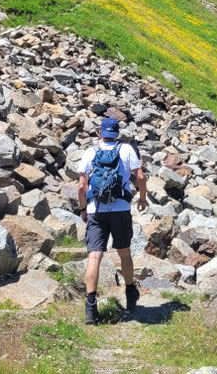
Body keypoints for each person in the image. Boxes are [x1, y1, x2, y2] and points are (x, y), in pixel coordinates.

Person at [76, 116, 147, 324]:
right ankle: (130, 292)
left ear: (100, 133)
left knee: (94, 256)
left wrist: (83, 209)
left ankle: (90, 306)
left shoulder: (90, 152)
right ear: (117, 134)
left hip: (96, 210)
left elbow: (81, 186)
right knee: (124, 253)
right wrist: (142, 199)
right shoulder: (126, 150)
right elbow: (140, 177)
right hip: (121, 209)